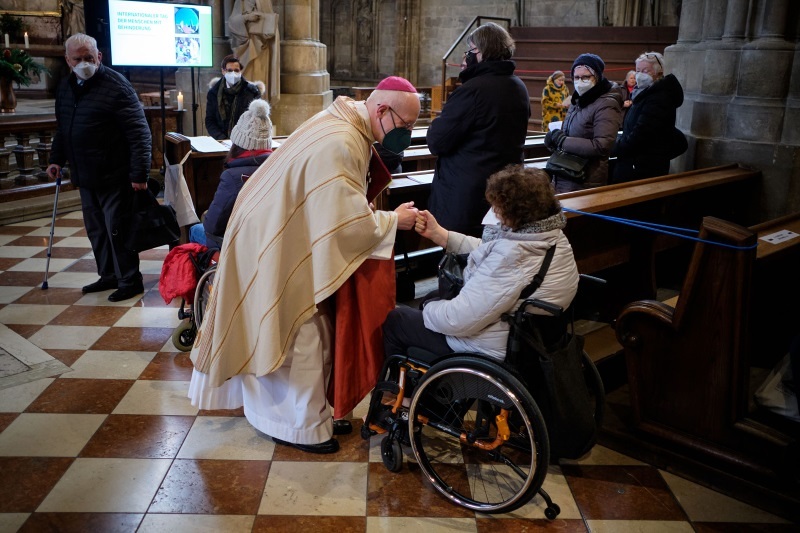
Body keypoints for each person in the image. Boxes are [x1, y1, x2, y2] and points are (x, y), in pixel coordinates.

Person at [188, 76, 422, 454]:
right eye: (406, 125)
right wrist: (394, 220)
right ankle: (296, 426)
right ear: (381, 110)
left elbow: (336, 202)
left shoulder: (349, 122)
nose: (407, 134)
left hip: (274, 231)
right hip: (269, 240)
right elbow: (344, 222)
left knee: (310, 330)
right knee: (299, 331)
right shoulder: (342, 140)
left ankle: (311, 418)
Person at [383, 165, 579, 362]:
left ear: (513, 214)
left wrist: (428, 308)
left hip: (490, 347)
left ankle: (402, 389)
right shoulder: (551, 237)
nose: (493, 212)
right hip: (531, 339)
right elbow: (492, 250)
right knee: (436, 297)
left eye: (497, 208)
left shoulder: (513, 257)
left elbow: (457, 319)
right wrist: (440, 235)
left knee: (397, 320)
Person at [47, 33, 150, 302]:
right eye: (78, 59)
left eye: (89, 58)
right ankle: (108, 276)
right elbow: (64, 127)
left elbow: (139, 133)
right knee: (97, 230)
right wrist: (56, 159)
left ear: (99, 57)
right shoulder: (67, 85)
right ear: (68, 60)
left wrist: (139, 174)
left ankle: (130, 280)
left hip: (115, 173)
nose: (84, 63)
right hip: (85, 174)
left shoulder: (117, 86)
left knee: (117, 228)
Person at [427, 22, 530, 238]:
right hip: (504, 191)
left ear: (482, 52)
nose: (466, 57)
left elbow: (437, 141)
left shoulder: (473, 91)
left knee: (463, 259)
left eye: (470, 51)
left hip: (468, 196)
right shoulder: (519, 87)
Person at [189, 99, 273, 248]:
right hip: (268, 242)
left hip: (240, 247)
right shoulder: (278, 166)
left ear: (238, 144)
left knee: (196, 230)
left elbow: (212, 226)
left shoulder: (232, 177)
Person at [544, 53, 624, 193]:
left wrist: (563, 141)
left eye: (586, 77)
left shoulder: (606, 104)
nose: (580, 81)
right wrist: (554, 139)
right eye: (576, 77)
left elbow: (602, 145)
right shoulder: (578, 99)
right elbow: (571, 133)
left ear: (597, 77)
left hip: (586, 178)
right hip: (566, 173)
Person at [611, 52, 688, 183]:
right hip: (635, 162)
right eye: (638, 70)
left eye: (645, 71)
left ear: (659, 73)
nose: (640, 74)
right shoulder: (643, 93)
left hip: (643, 167)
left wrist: (612, 149)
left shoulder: (659, 98)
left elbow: (641, 134)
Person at [228, 0, 280, 105]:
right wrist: (246, 18)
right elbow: (232, 22)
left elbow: (272, 26)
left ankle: (260, 113)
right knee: (244, 83)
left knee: (260, 85)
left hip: (262, 49)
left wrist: (267, 30)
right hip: (246, 47)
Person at [205, 54, 262, 140]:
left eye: (236, 70)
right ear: (223, 71)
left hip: (244, 140)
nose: (233, 73)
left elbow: (257, 119)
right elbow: (210, 120)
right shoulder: (214, 92)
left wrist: (243, 139)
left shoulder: (252, 92)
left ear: (240, 71)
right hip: (221, 140)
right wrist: (221, 138)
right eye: (229, 70)